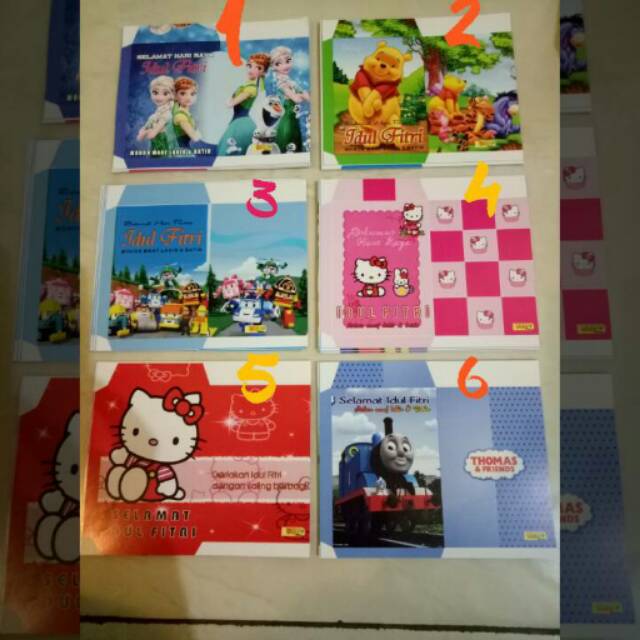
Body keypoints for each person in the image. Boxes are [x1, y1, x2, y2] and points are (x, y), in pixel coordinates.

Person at [269, 45, 310, 153]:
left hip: (293, 118)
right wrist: (301, 94)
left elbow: (306, 97)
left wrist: (300, 92)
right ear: (273, 66)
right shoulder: (281, 83)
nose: (285, 66)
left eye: (288, 61)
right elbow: (297, 99)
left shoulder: (289, 81)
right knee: (287, 142)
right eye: (278, 63)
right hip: (286, 120)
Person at [136, 75, 177, 153]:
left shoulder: (166, 114)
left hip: (164, 149)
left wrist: (144, 132)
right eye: (155, 92)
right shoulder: (156, 115)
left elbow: (152, 135)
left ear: (171, 95)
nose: (159, 97)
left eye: (165, 93)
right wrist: (143, 131)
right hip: (156, 148)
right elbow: (140, 137)